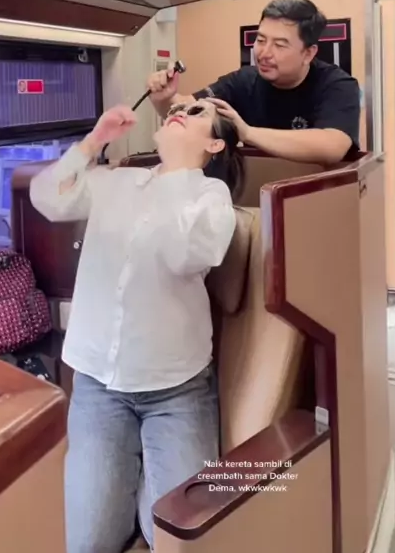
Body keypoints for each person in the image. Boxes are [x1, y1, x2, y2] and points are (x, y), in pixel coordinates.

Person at [29, 100, 244, 553]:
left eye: (197, 112)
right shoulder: (119, 181)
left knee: (172, 536)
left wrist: (178, 171)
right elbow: (46, 197)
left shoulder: (211, 196)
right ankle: (126, 472)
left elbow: (186, 253)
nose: (181, 110)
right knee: (90, 544)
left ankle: (140, 472)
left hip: (176, 391)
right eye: (179, 108)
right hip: (97, 385)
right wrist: (94, 141)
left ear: (215, 144)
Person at [147, 0, 360, 165]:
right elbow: (187, 109)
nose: (264, 53)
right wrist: (165, 98)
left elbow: (333, 146)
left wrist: (247, 133)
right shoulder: (244, 80)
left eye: (279, 45)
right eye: (261, 40)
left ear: (308, 53)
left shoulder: (337, 85)